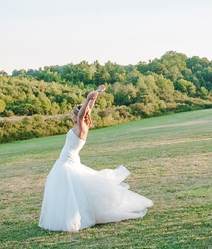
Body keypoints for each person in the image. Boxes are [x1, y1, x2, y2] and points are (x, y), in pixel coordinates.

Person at [39, 85, 153, 232]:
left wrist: (88, 97)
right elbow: (88, 110)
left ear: (77, 114)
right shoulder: (84, 123)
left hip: (68, 161)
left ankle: (72, 218)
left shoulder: (82, 126)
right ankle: (69, 216)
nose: (72, 116)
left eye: (73, 114)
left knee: (68, 190)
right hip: (67, 160)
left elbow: (83, 114)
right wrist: (96, 95)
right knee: (72, 190)